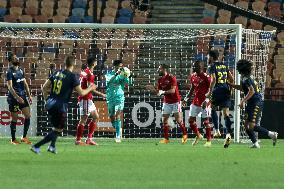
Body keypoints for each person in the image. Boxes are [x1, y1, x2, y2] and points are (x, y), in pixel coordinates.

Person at [31, 56, 96, 154]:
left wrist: (46, 100)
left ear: (65, 64)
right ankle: (36, 146)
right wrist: (91, 88)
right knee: (58, 129)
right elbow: (82, 93)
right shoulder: (72, 76)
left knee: (56, 127)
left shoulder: (57, 73)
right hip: (60, 106)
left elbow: (44, 87)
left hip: (50, 104)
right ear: (73, 64)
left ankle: (52, 147)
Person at [229, 59, 278, 148]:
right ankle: (255, 143)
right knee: (246, 126)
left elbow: (251, 91)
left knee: (251, 126)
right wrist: (231, 85)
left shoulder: (246, 79)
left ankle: (272, 134)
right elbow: (243, 88)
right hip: (251, 103)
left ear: (241, 69)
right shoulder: (246, 78)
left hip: (256, 103)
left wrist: (242, 101)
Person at [206, 50, 234, 148]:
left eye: (208, 57)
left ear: (212, 57)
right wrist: (230, 90)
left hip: (216, 91)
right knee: (226, 114)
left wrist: (209, 92)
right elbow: (231, 79)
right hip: (226, 90)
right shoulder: (224, 65)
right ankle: (228, 134)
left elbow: (213, 80)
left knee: (212, 108)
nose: (207, 58)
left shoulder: (211, 66)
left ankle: (217, 130)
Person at [75, 57, 105, 145]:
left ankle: (89, 139)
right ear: (93, 63)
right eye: (96, 62)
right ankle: (78, 140)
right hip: (85, 99)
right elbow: (90, 88)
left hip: (88, 99)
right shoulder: (90, 74)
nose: (97, 63)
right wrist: (102, 94)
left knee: (96, 116)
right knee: (83, 119)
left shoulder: (85, 71)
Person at [182, 61, 212, 147]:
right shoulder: (193, 76)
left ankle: (209, 141)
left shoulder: (206, 77)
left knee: (206, 121)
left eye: (196, 66)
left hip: (205, 102)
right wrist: (185, 99)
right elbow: (192, 89)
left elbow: (211, 89)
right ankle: (198, 135)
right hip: (196, 101)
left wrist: (206, 100)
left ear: (201, 67)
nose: (194, 67)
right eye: (193, 66)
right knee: (190, 120)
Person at [156, 64, 187, 144]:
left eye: (159, 69)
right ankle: (166, 139)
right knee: (164, 120)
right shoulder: (159, 80)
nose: (158, 70)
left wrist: (163, 92)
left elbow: (173, 90)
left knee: (178, 120)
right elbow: (159, 92)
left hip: (176, 101)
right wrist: (153, 89)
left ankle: (184, 135)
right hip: (166, 102)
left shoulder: (171, 78)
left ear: (164, 69)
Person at [6, 53, 32, 145]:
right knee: (15, 118)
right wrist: (17, 97)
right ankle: (13, 139)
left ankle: (24, 137)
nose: (17, 58)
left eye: (16, 57)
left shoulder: (21, 70)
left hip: (23, 97)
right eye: (14, 58)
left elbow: (25, 84)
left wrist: (29, 95)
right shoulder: (9, 71)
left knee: (28, 116)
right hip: (14, 99)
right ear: (10, 61)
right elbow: (9, 87)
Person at [105, 60, 130, 143]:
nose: (120, 68)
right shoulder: (109, 74)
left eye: (121, 67)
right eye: (118, 67)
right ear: (114, 66)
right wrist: (116, 74)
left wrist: (127, 76)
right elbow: (109, 81)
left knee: (117, 115)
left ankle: (118, 136)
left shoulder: (122, 75)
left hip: (119, 98)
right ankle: (118, 129)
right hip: (110, 98)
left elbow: (128, 83)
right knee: (112, 117)